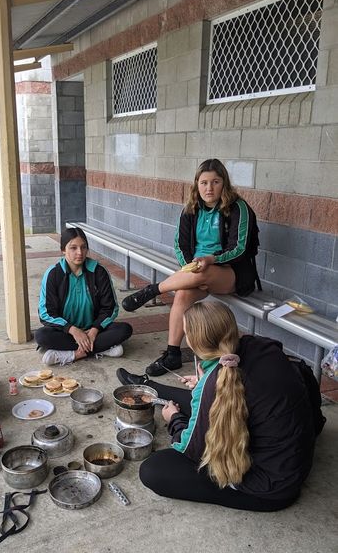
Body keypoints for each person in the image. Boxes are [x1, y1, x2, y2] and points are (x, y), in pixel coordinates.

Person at [117, 301, 317, 512]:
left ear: (193, 342)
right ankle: (147, 386)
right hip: (293, 457)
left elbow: (192, 448)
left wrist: (175, 420)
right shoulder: (260, 346)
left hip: (270, 488)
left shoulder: (215, 384)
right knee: (198, 397)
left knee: (154, 470)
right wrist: (204, 382)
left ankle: (154, 392)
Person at [122, 159, 260, 376]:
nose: (209, 188)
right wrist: (189, 266)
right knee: (182, 295)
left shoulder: (238, 208)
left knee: (204, 272)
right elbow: (180, 245)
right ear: (197, 184)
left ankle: (154, 290)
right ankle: (172, 354)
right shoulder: (191, 208)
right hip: (196, 271)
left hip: (231, 272)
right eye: (204, 183)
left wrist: (211, 260)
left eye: (215, 182)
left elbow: (239, 249)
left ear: (224, 183)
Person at [35, 226, 133, 366]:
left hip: (94, 330)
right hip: (66, 331)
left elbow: (110, 308)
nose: (79, 252)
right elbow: (46, 313)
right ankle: (100, 349)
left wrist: (93, 331)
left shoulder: (99, 272)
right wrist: (73, 330)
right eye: (73, 248)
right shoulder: (53, 274)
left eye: (83, 247)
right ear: (63, 250)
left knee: (124, 329)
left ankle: (69, 354)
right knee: (42, 336)